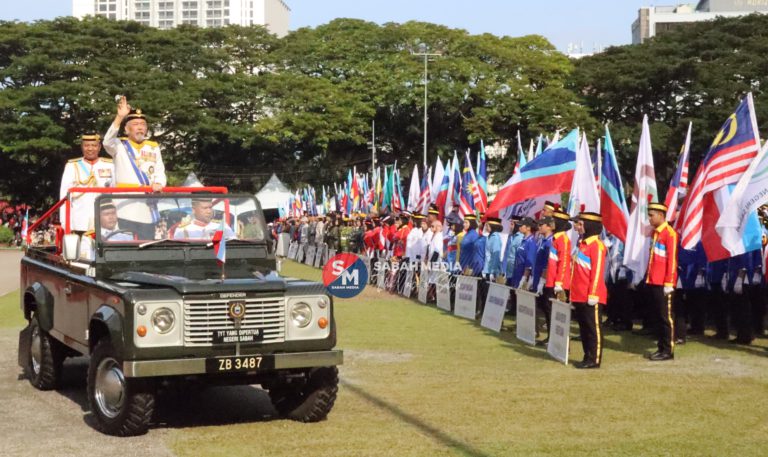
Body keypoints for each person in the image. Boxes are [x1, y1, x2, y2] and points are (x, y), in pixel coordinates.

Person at [103, 97, 167, 239]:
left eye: (143, 124)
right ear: (126, 129)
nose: (140, 127)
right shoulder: (119, 145)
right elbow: (107, 142)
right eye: (135, 124)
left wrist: (159, 184)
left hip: (147, 207)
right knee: (125, 244)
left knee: (146, 245)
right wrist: (119, 117)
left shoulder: (153, 147)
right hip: (125, 207)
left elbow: (159, 171)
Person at [570, 210, 607, 369]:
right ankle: (587, 356)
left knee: (593, 328)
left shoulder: (596, 246)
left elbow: (597, 272)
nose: (577, 227)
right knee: (584, 328)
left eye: (580, 224)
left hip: (591, 294)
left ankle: (595, 359)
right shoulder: (581, 244)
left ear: (589, 226)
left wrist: (593, 294)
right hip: (579, 294)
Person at [644, 201, 678, 361]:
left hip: (664, 282)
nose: (649, 218)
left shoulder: (669, 233)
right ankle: (661, 347)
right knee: (658, 316)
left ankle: (668, 350)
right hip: (654, 280)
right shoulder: (655, 233)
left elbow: (672, 260)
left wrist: (669, 282)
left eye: (651, 215)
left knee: (666, 317)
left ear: (661, 215)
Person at [59, 133, 114, 232]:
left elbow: (116, 192)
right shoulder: (72, 166)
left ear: (99, 147)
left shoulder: (110, 165)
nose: (90, 149)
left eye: (94, 145)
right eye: (86, 145)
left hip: (104, 222)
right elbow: (64, 196)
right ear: (82, 147)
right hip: (80, 221)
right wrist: (65, 222)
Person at [533, 216, 555, 341]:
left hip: (547, 280)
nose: (539, 226)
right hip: (538, 278)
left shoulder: (551, 241)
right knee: (544, 308)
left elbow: (548, 263)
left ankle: (552, 336)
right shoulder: (542, 240)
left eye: (542, 224)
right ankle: (549, 335)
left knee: (548, 309)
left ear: (548, 226)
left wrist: (543, 280)